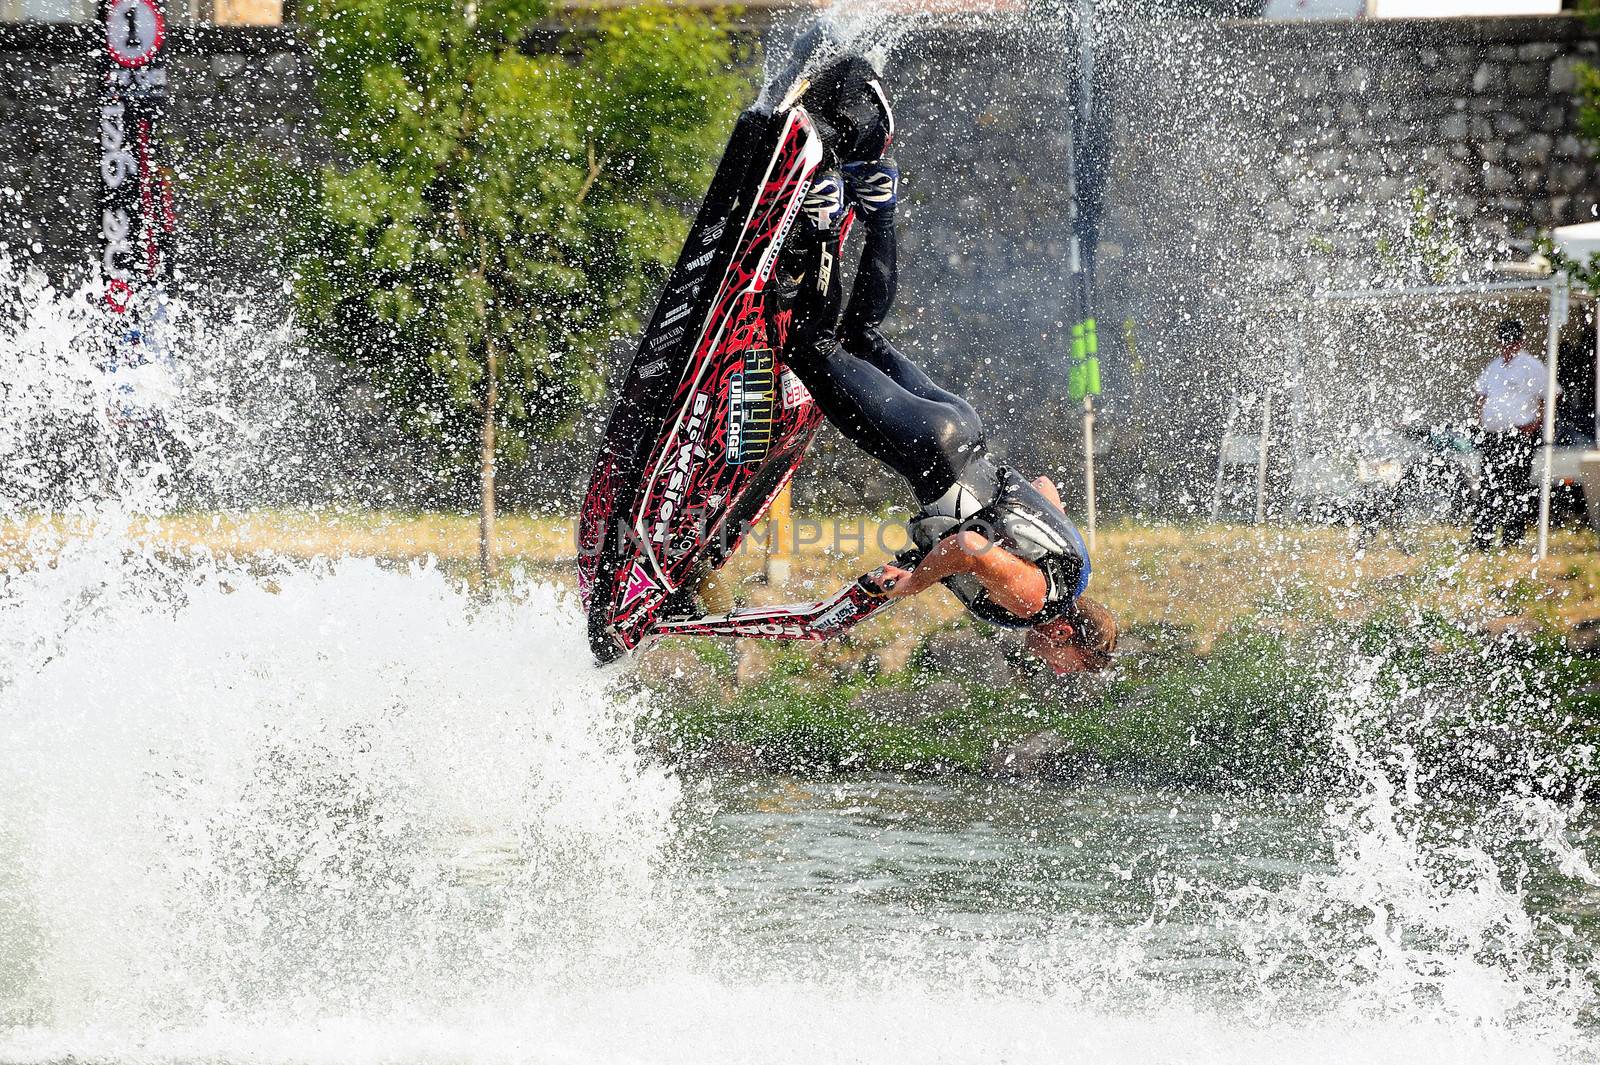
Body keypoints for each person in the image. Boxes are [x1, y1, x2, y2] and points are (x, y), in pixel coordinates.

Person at [773, 68, 1117, 675]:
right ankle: (826, 221)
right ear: (1067, 632)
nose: (1051, 666)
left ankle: (876, 197)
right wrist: (915, 583)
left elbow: (1044, 490)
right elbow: (966, 546)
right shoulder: (1038, 600)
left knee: (860, 336)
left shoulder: (1076, 563)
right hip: (930, 454)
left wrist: (924, 553)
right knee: (811, 346)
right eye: (1067, 663)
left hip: (963, 428)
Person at [1472, 318, 1552, 550]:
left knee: (1515, 486)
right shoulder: (1494, 366)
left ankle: (1512, 536)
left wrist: (1537, 422)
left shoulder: (1531, 366)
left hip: (1518, 434)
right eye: (1503, 342)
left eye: (1511, 342)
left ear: (1519, 342)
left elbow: (1550, 394)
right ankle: (1483, 537)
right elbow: (1482, 393)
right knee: (1489, 485)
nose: (1507, 347)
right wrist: (1481, 418)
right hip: (1493, 434)